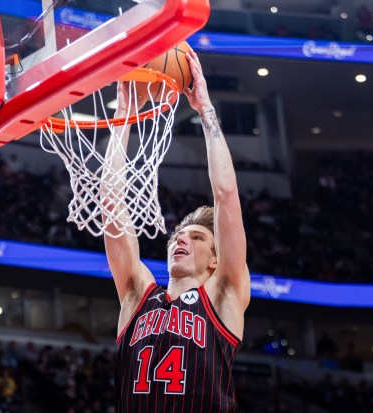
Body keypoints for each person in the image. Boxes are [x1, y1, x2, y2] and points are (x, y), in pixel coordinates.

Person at [102, 49, 250, 412]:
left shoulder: (223, 295)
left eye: (197, 237)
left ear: (216, 261)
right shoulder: (138, 295)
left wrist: (205, 111)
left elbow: (226, 195)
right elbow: (110, 203)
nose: (182, 238)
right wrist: (123, 115)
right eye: (178, 236)